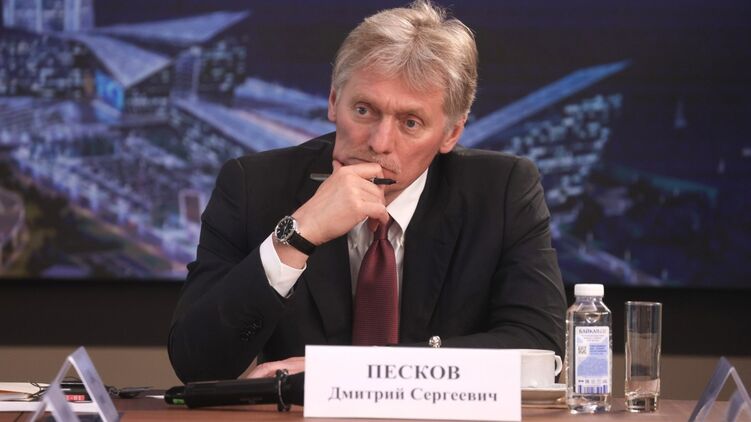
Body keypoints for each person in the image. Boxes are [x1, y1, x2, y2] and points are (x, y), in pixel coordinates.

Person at [169, 0, 566, 383]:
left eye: (410, 123)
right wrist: (298, 235)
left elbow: (541, 352)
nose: (379, 142)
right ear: (333, 101)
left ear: (452, 133)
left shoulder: (502, 191)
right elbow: (197, 364)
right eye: (363, 110)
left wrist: (349, 370)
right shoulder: (254, 185)